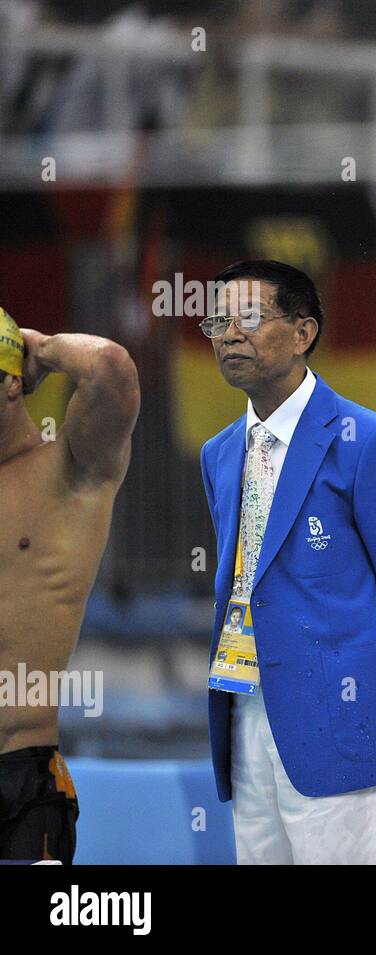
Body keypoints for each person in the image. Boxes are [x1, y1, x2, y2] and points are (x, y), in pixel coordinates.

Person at [199, 260, 376, 864]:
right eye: (218, 322)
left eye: (250, 318)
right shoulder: (220, 452)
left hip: (345, 713)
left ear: (304, 333)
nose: (230, 334)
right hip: (246, 709)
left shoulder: (370, 441)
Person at [0, 307, 140, 863]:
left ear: (13, 383)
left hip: (20, 775)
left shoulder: (71, 470)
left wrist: (38, 346)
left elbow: (110, 366)